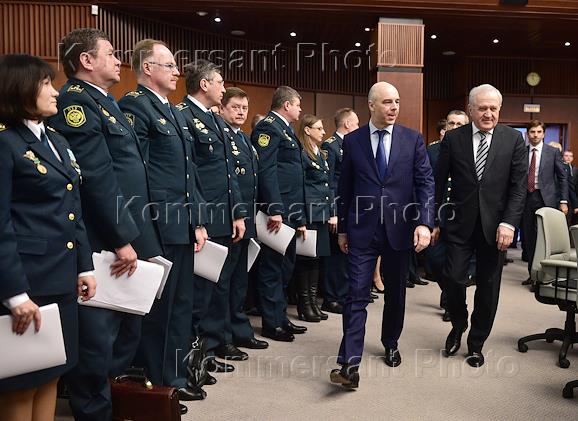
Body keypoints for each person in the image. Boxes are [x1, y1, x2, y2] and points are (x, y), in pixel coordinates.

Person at [48, 28, 165, 418]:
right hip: (105, 238)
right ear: (86, 60)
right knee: (100, 336)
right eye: (111, 53)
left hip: (131, 229)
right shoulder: (75, 103)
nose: (119, 60)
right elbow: (97, 177)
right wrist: (120, 237)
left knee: (128, 327)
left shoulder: (107, 102)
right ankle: (92, 408)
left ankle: (108, 399)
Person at [0, 54, 96, 421]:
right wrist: (14, 294)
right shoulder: (6, 143)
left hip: (60, 278)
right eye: (45, 84)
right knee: (21, 385)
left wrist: (84, 266)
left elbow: (74, 209)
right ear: (20, 88)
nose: (55, 92)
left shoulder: (56, 140)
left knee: (52, 374)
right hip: (27, 282)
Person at [118, 39, 208, 401]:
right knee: (158, 312)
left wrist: (198, 220)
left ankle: (174, 376)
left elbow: (189, 173)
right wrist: (143, 229)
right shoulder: (134, 107)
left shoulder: (173, 111)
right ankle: (156, 383)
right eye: (168, 65)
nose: (176, 72)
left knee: (181, 304)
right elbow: (135, 175)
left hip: (182, 223)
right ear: (147, 68)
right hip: (157, 223)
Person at [330, 82, 434, 388]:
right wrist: (344, 230)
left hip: (400, 230)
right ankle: (349, 364)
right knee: (356, 295)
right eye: (387, 102)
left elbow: (426, 183)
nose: (394, 108)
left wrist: (424, 223)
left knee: (396, 294)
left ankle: (391, 341)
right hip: (362, 230)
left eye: (397, 102)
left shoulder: (412, 139)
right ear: (371, 105)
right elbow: (344, 188)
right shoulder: (353, 141)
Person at [434, 84, 527, 368]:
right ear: (471, 109)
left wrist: (509, 223)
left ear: (500, 110)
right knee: (452, 279)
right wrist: (434, 220)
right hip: (458, 224)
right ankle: (458, 324)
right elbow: (438, 183)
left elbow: (518, 188)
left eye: (493, 109)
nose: (488, 114)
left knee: (488, 287)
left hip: (495, 228)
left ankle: (476, 343)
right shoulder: (453, 139)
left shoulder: (513, 140)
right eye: (482, 108)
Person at [177, 60, 248, 373]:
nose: (223, 87)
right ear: (204, 84)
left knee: (215, 292)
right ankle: (193, 361)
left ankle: (207, 353)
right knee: (197, 296)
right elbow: (189, 176)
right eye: (219, 82)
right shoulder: (184, 117)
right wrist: (199, 220)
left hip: (223, 219)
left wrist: (237, 214)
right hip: (203, 221)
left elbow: (229, 174)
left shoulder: (214, 120)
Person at [251, 86, 308, 342]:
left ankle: (281, 317)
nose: (300, 109)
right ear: (286, 105)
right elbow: (266, 170)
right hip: (278, 211)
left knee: (286, 267)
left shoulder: (284, 128)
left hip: (291, 210)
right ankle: (271, 323)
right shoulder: (269, 127)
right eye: (297, 104)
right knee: (272, 267)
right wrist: (274, 207)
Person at [219, 87, 269, 350]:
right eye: (235, 107)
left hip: (246, 219)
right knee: (224, 282)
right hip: (228, 219)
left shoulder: (244, 138)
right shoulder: (222, 136)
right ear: (222, 107)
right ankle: (224, 336)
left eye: (244, 108)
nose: (240, 112)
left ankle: (240, 330)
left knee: (239, 281)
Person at [427, 110, 470, 322]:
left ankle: (451, 303)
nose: (455, 127)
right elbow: (428, 185)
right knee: (434, 260)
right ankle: (450, 294)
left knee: (456, 265)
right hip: (439, 213)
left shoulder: (473, 148)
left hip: (462, 217)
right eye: (451, 123)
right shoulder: (433, 150)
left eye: (460, 124)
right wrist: (431, 219)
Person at [295, 114, 336, 322]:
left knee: (317, 258)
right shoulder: (302, 153)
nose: (323, 132)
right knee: (306, 259)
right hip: (309, 212)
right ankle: (304, 304)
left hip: (321, 212)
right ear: (307, 130)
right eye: (318, 128)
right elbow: (300, 187)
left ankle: (312, 302)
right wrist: (300, 217)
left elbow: (327, 186)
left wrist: (332, 212)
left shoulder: (321, 153)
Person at [321, 108, 359, 313]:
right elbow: (328, 183)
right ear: (347, 124)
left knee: (345, 254)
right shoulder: (331, 146)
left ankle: (344, 294)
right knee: (335, 256)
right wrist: (333, 212)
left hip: (350, 207)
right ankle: (331, 297)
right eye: (356, 122)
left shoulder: (350, 146)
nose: (358, 126)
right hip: (337, 208)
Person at [521, 120, 567, 287]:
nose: (535, 135)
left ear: (543, 134)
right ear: (528, 133)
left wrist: (563, 201)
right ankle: (532, 275)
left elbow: (562, 178)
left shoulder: (553, 152)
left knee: (544, 238)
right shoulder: (522, 152)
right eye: (532, 132)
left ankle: (544, 276)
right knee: (529, 238)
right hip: (526, 199)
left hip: (546, 199)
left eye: (539, 132)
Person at [562, 150, 578, 225]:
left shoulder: (575, 170)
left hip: (572, 200)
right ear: (562, 157)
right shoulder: (561, 168)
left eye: (570, 156)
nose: (568, 158)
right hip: (562, 199)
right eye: (566, 155)